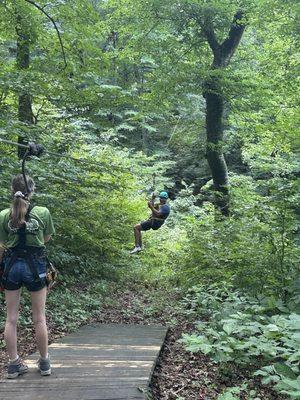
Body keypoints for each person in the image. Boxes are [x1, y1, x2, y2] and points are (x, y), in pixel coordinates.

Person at [0, 174, 55, 379]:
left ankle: (14, 364)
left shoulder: (4, 215)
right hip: (35, 266)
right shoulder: (42, 212)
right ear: (32, 191)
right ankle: (44, 362)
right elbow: (46, 238)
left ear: (11, 190)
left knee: (11, 318)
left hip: (12, 266)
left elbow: (2, 244)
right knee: (39, 318)